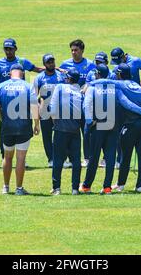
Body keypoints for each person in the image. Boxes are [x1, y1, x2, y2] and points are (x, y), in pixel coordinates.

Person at [81, 64, 141, 194]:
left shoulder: (92, 87)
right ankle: (107, 187)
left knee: (94, 156)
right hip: (112, 126)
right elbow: (126, 103)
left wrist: (89, 122)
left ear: (97, 75)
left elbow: (86, 105)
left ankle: (86, 186)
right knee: (111, 157)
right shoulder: (115, 89)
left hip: (98, 126)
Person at [0, 38, 43, 160]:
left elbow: (37, 69)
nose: (8, 51)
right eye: (6, 49)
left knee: (22, 127)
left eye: (10, 49)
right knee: (4, 128)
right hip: (5, 101)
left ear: (15, 49)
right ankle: (5, 157)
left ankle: (21, 156)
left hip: (22, 101)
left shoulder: (22, 61)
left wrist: (55, 69)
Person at [0, 64, 40, 195]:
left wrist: (2, 119)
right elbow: (34, 106)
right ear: (23, 74)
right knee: (21, 158)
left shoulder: (2, 86)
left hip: (7, 126)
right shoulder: (28, 86)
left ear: (10, 74)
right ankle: (19, 189)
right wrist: (36, 124)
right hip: (23, 126)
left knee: (7, 157)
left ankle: (5, 187)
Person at [109, 63, 141, 193]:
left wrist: (92, 84)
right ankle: (140, 186)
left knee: (125, 155)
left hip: (132, 124)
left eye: (116, 74)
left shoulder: (120, 85)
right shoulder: (137, 85)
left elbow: (126, 104)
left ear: (120, 74)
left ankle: (121, 184)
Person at [59, 39, 96, 167]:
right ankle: (70, 158)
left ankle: (87, 158)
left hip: (86, 104)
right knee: (70, 132)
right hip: (70, 105)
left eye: (76, 50)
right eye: (72, 50)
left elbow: (94, 82)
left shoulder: (91, 65)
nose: (74, 52)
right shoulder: (65, 65)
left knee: (86, 132)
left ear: (82, 51)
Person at [49, 68, 83, 195]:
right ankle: (75, 189)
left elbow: (52, 110)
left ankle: (56, 188)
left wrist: (55, 122)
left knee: (58, 160)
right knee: (76, 161)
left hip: (60, 129)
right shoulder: (80, 91)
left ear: (68, 78)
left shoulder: (60, 87)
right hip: (75, 130)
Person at [33, 54, 65, 167]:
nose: (51, 63)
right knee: (47, 136)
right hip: (45, 110)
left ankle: (60, 158)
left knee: (60, 135)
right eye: (48, 62)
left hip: (59, 110)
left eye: (52, 61)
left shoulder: (61, 76)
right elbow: (34, 96)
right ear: (44, 64)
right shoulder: (39, 78)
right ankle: (51, 159)